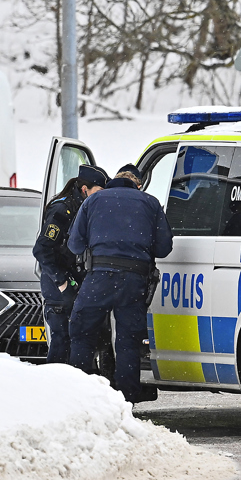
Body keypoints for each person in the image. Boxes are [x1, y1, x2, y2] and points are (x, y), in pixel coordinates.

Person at [66, 163, 172, 403]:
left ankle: (77, 398)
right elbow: (164, 248)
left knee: (82, 335)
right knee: (128, 342)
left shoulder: (92, 202)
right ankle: (127, 402)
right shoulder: (150, 202)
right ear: (137, 184)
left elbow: (74, 245)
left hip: (99, 279)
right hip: (134, 281)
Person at [33, 164, 108, 363]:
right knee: (62, 342)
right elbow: (42, 249)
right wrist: (62, 282)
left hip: (75, 283)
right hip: (59, 287)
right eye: (98, 192)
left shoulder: (86, 207)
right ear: (85, 189)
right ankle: (56, 389)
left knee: (81, 341)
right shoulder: (63, 209)